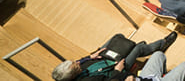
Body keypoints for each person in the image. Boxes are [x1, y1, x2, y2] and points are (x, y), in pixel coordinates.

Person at [50, 32, 178, 81]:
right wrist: (117, 70)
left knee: (118, 36)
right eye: (76, 65)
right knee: (138, 49)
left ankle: (139, 48)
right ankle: (163, 44)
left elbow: (80, 61)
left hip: (105, 58)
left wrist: (91, 56)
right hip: (117, 68)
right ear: (73, 75)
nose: (78, 63)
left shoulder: (74, 68)